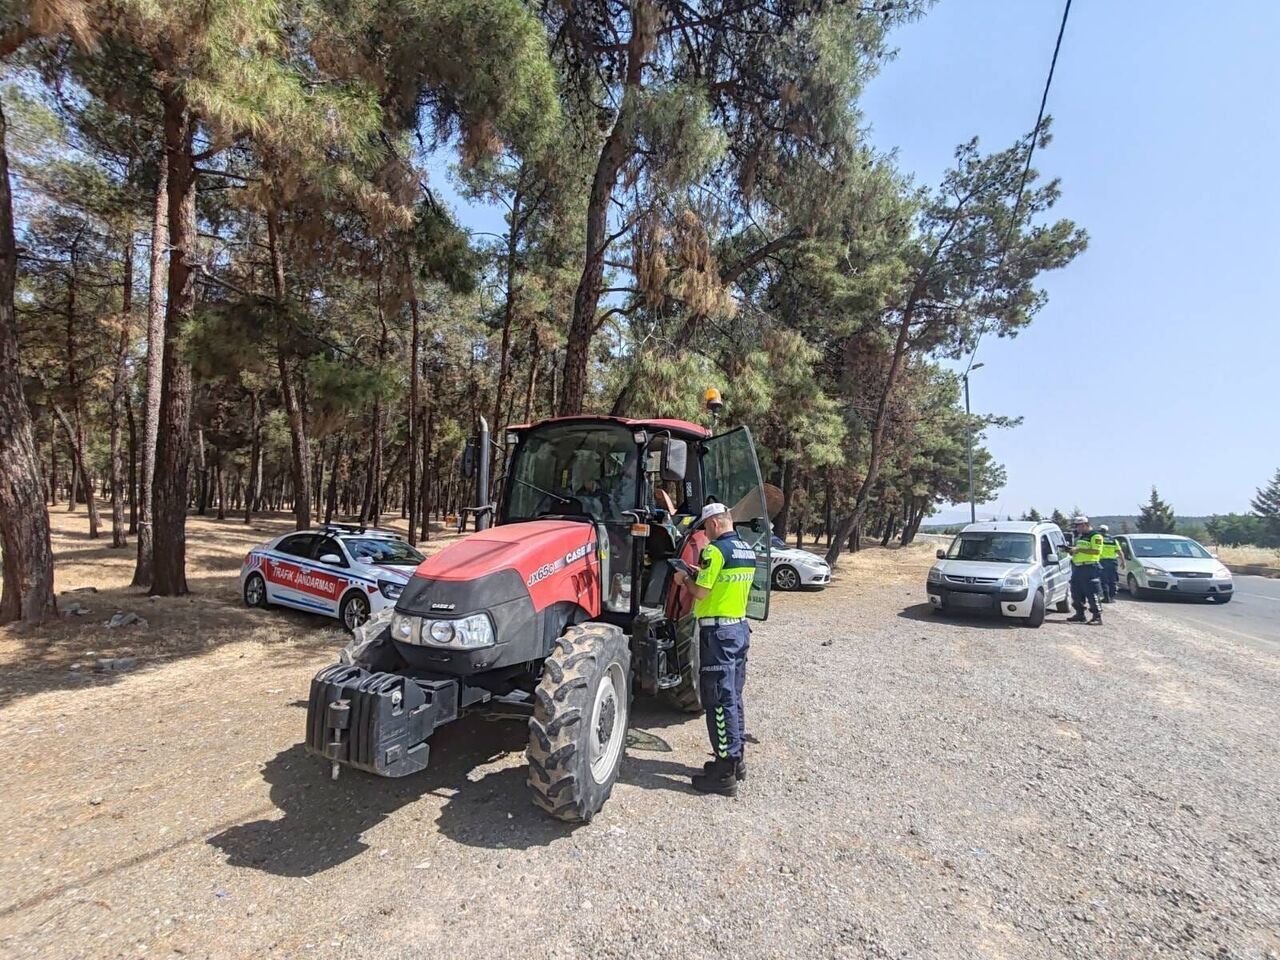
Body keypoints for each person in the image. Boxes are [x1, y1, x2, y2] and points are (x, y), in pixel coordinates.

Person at [672, 501, 755, 796]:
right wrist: (699, 572)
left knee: (718, 700)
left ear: (716, 523)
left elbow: (702, 591)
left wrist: (684, 579)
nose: (705, 535)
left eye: (706, 528)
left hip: (718, 634)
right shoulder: (746, 550)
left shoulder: (715, 551)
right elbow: (722, 584)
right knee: (733, 696)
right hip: (739, 628)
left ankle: (724, 773)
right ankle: (737, 760)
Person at [1067, 515, 1104, 624]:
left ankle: (1097, 617)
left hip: (1090, 567)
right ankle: (1080, 614)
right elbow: (1079, 551)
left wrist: (1078, 549)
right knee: (1076, 591)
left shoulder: (1096, 536)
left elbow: (1096, 551)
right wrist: (1071, 551)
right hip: (1078, 567)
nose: (1077, 529)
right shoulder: (1082, 537)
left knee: (1092, 592)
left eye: (1078, 526)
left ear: (1084, 525)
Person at [1098, 524, 1120, 603]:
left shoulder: (1099, 539)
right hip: (1113, 562)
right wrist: (1123, 561)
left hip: (1102, 562)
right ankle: (1112, 597)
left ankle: (1106, 597)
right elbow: (1119, 551)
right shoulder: (1113, 540)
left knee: (1104, 580)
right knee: (1112, 580)